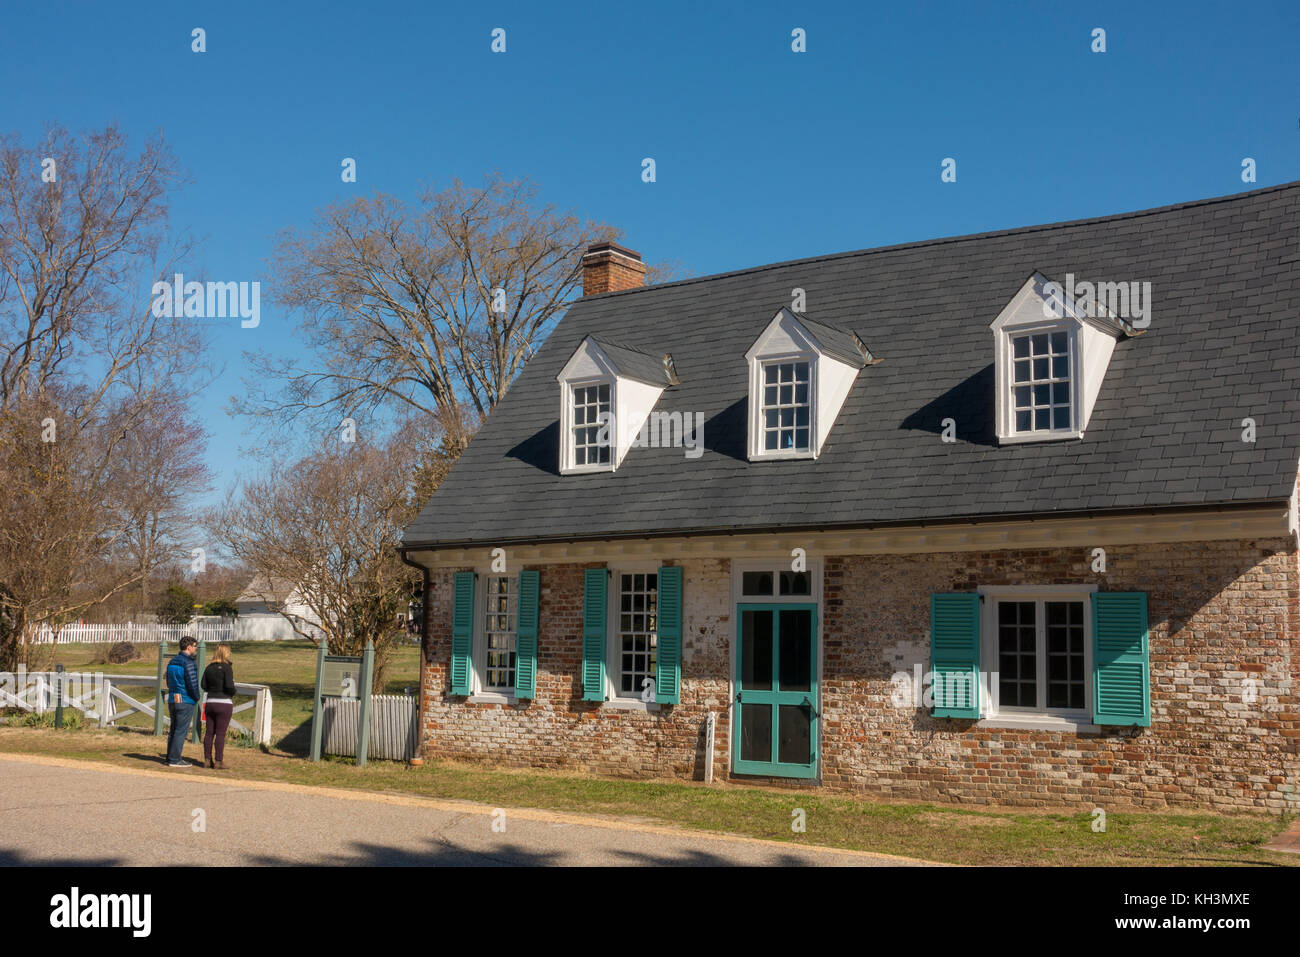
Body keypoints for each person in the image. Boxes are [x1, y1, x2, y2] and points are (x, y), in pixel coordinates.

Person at [165, 637, 200, 767]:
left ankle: (169, 757)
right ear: (189, 647)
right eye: (195, 646)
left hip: (173, 697)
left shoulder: (172, 661)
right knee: (181, 730)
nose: (196, 649)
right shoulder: (189, 663)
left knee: (174, 729)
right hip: (185, 699)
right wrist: (196, 697)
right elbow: (192, 683)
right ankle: (175, 759)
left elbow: (168, 681)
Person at [201, 644, 236, 769]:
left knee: (209, 732)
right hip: (224, 702)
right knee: (220, 733)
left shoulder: (209, 668)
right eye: (228, 652)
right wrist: (232, 692)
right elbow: (229, 686)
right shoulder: (227, 668)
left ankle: (207, 759)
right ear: (225, 653)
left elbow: (203, 684)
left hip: (210, 702)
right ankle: (219, 761)